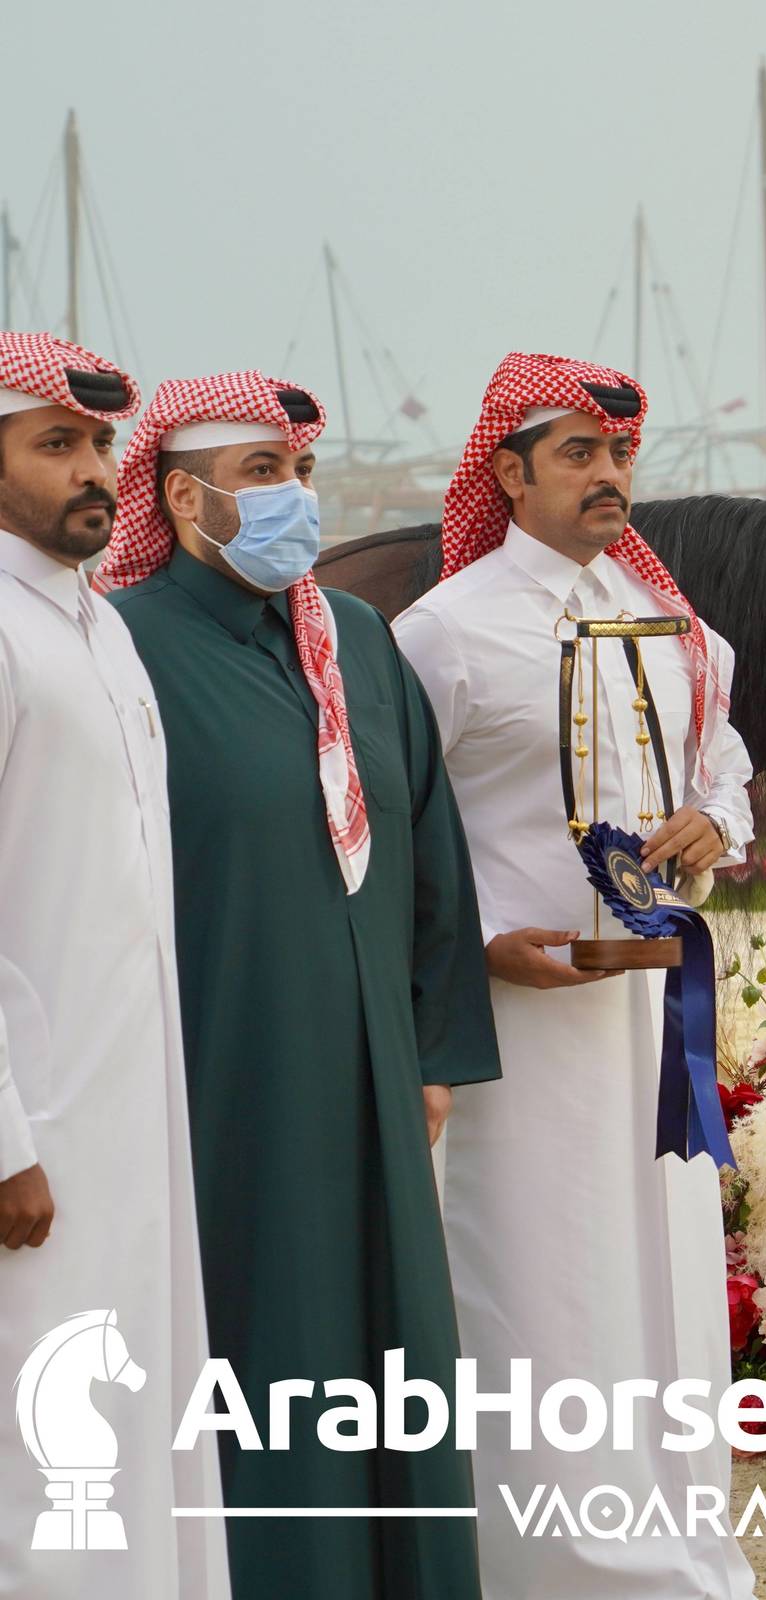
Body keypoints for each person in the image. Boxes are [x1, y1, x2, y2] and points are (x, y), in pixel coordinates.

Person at [96, 371, 500, 1600]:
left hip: (375, 1077)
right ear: (183, 497)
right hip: (222, 1073)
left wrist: (431, 1051)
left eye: (303, 472)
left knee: (393, 1352)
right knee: (264, 1347)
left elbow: (430, 849)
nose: (295, 498)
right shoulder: (123, 646)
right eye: (263, 473)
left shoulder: (358, 640)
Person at [393, 352, 757, 1600]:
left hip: (654, 1015)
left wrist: (714, 821)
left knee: (661, 1278)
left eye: (619, 455)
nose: (608, 476)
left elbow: (722, 759)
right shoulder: (444, 631)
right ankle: (547, 1563)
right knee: (539, 1280)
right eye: (578, 453)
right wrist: (485, 936)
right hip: (515, 1021)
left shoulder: (671, 621)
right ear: (507, 472)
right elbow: (397, 826)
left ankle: (674, 1541)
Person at [0, 332, 229, 1597]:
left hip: (130, 1119)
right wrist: (5, 1141)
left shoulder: (100, 629)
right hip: (37, 1132)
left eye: (99, 444)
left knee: (130, 1421)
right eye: (55, 444)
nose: (92, 468)